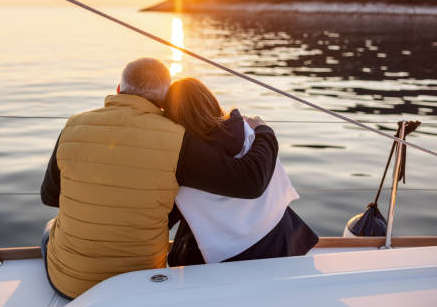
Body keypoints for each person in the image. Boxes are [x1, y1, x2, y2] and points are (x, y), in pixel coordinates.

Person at [40, 58, 280, 299]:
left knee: (50, 228)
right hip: (140, 282)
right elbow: (249, 181)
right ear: (165, 101)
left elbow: (49, 196)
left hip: (69, 284)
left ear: (118, 90)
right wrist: (263, 132)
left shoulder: (72, 126)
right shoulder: (179, 140)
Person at [164, 78, 318, 267]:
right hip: (280, 236)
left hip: (232, 256)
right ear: (211, 101)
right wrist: (265, 131)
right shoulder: (249, 131)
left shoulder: (182, 155)